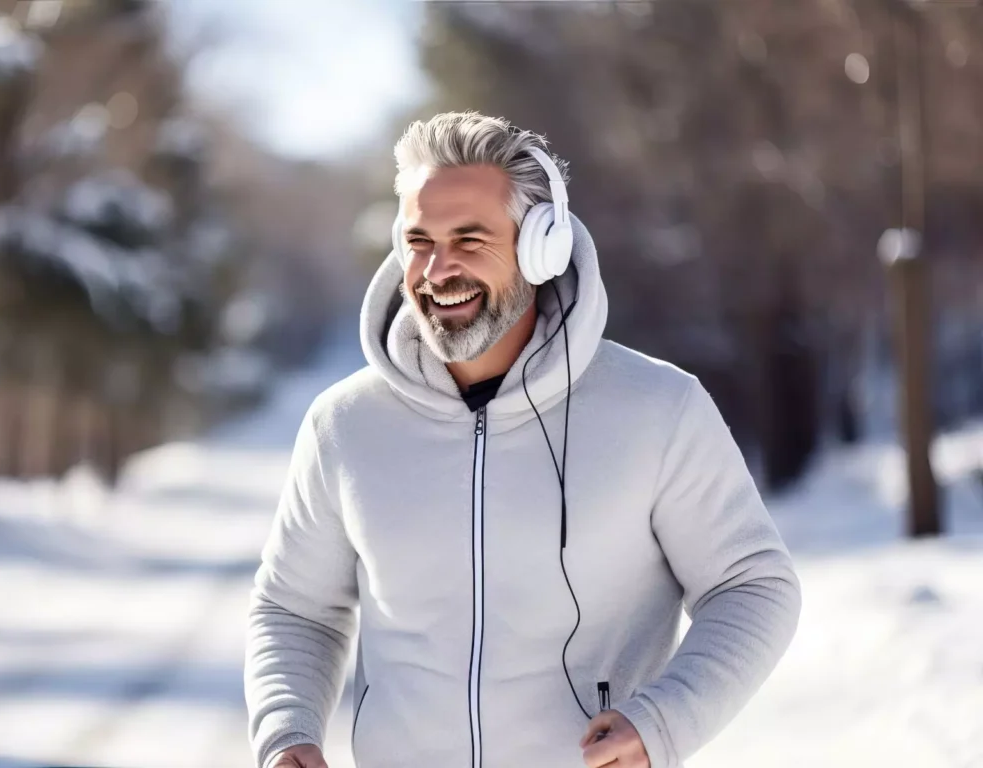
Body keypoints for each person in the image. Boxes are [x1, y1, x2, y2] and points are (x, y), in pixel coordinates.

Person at [245, 111, 801, 768]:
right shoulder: (345, 425)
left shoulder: (658, 410)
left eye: (469, 239)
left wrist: (663, 722)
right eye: (419, 240)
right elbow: (295, 607)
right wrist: (288, 730)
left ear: (541, 246)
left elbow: (753, 584)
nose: (436, 270)